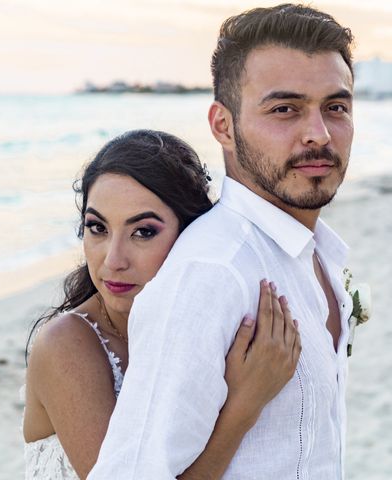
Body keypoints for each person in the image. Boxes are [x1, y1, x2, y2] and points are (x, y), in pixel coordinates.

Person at [89, 4, 355, 480]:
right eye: (284, 109)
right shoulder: (212, 273)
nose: (318, 134)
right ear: (222, 126)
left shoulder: (317, 256)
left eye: (335, 107)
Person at [23, 130, 301, 479]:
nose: (113, 260)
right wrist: (244, 406)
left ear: (190, 236)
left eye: (143, 232)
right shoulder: (65, 346)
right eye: (97, 228)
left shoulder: (195, 324)